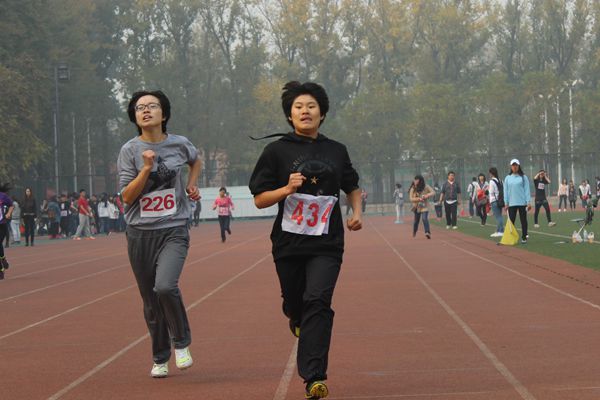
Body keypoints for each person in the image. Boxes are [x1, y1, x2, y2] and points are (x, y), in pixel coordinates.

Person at [249, 81, 362, 400]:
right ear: (289, 115)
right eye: (298, 107)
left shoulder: (336, 150)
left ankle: (314, 377)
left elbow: (352, 187)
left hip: (327, 243)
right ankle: (294, 315)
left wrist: (356, 212)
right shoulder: (276, 151)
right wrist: (286, 190)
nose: (305, 111)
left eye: (311, 106)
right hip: (288, 244)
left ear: (322, 113)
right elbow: (259, 199)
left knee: (318, 301)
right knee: (296, 302)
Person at [118, 90, 201, 379]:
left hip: (173, 228)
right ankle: (160, 356)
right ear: (135, 117)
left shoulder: (179, 144)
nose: (146, 110)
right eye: (139, 107)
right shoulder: (129, 150)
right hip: (140, 233)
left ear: (163, 114)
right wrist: (146, 169)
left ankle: (182, 342)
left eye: (152, 106)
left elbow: (196, 160)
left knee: (165, 286)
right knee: (151, 301)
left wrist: (191, 184)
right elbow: (127, 196)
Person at [504, 159, 531, 244]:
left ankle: (524, 237)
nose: (514, 167)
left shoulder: (523, 177)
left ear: (519, 166)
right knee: (511, 221)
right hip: (511, 203)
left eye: (516, 165)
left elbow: (527, 190)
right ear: (511, 166)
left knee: (523, 220)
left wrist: (528, 202)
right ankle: (511, 237)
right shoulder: (507, 178)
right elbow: (505, 191)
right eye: (513, 165)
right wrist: (506, 203)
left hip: (522, 203)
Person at [409, 175, 434, 239]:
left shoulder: (426, 186)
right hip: (417, 207)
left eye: (416, 180)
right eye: (414, 180)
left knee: (424, 218)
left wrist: (427, 195)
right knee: (416, 221)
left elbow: (433, 192)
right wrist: (419, 199)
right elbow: (411, 199)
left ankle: (427, 232)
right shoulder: (413, 188)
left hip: (425, 206)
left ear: (420, 181)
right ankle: (414, 231)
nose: (415, 181)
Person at [0, 183, 14, 279]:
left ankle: (3, 259)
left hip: (1, 224)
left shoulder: (3, 196)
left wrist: (8, 213)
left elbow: (11, 205)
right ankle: (1, 267)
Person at [488, 167, 504, 237]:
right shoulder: (500, 180)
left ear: (491, 173)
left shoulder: (491, 181)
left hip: (494, 200)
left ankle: (501, 231)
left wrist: (487, 191)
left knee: (498, 217)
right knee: (499, 215)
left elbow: (491, 192)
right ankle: (498, 231)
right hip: (500, 200)